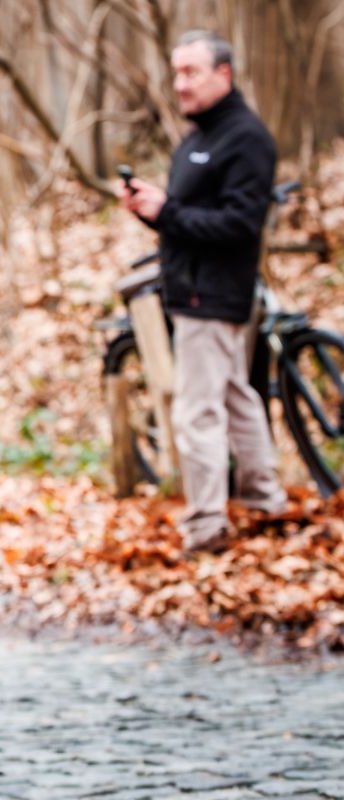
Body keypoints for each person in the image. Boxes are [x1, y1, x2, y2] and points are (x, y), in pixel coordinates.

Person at [118, 29, 287, 553]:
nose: (181, 84)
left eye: (191, 72)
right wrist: (153, 211)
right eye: (176, 73)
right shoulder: (196, 140)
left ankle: (207, 526)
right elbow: (186, 221)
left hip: (212, 297)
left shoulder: (246, 138)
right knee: (236, 397)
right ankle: (266, 501)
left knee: (197, 412)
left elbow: (240, 224)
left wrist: (168, 210)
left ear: (224, 74)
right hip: (192, 290)